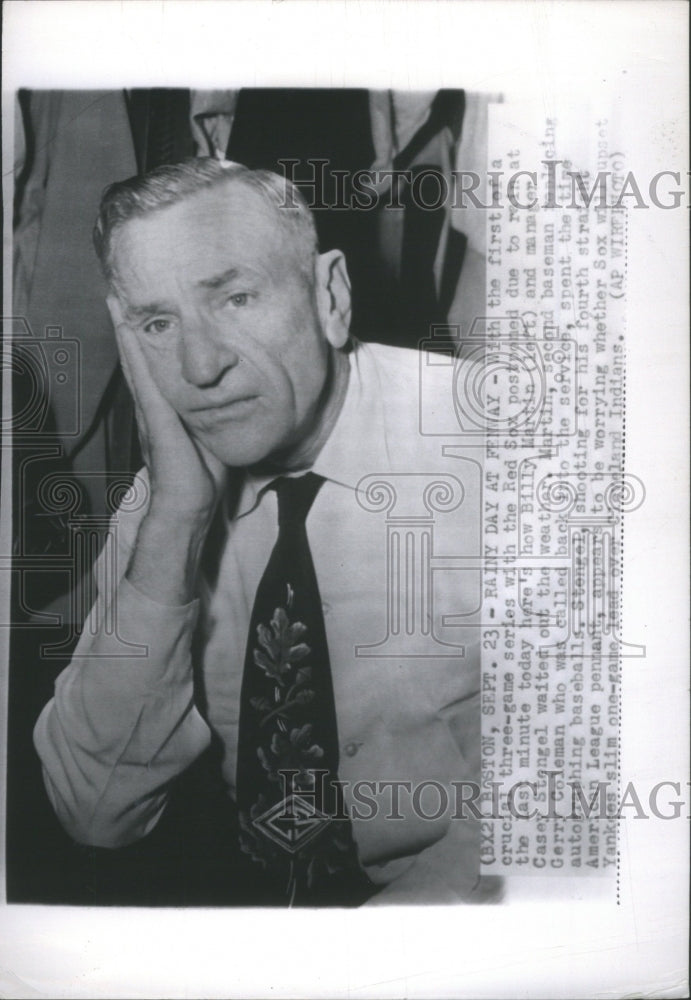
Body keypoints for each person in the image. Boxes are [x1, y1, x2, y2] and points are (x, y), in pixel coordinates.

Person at [33, 157, 490, 906]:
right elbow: (95, 812)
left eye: (235, 298)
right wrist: (177, 519)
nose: (198, 364)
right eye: (157, 321)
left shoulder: (507, 452)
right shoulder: (169, 496)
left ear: (330, 295)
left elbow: (571, 802)